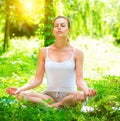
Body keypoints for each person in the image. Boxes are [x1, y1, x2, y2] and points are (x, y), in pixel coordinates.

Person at [6, 16, 96, 108]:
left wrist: (86, 90)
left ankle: (49, 107)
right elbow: (37, 79)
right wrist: (20, 89)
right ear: (53, 30)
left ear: (69, 30)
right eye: (56, 26)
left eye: (63, 25)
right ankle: (58, 106)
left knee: (81, 96)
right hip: (49, 96)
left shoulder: (77, 53)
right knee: (21, 95)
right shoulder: (44, 51)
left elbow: (79, 80)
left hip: (69, 95)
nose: (59, 27)